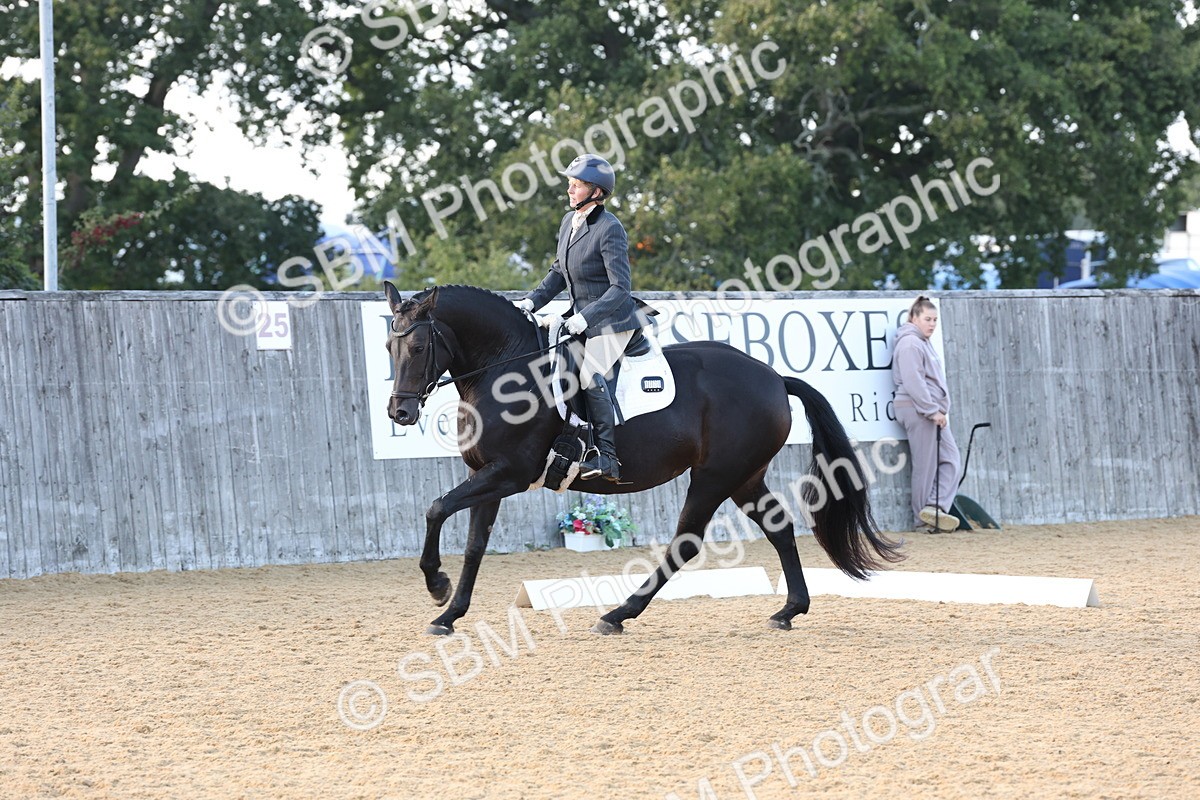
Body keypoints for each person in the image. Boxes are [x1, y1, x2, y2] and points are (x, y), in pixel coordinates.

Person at [512, 153, 651, 483]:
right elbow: (558, 272)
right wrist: (531, 301)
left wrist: (585, 318)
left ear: (597, 192)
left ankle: (608, 458)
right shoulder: (568, 223)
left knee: (589, 373)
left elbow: (620, 288)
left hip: (614, 320)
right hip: (581, 318)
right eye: (570, 184)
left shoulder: (610, 228)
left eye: (577, 186)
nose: (570, 191)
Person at [892, 296, 962, 532]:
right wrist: (932, 410)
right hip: (917, 410)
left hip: (928, 411)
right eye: (927, 319)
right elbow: (914, 381)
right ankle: (922, 521)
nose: (932, 324)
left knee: (951, 460)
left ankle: (933, 509)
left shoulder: (922, 342)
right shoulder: (911, 343)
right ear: (914, 318)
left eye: (935, 320)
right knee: (925, 465)